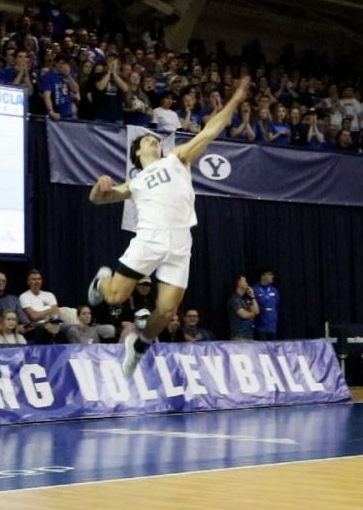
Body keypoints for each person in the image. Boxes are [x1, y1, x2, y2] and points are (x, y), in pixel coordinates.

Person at [87, 76, 251, 376]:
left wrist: (234, 101)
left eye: (155, 138)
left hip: (180, 242)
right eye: (148, 139)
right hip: (148, 239)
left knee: (166, 311)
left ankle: (139, 346)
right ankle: (101, 282)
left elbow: (210, 131)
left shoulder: (176, 159)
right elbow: (98, 199)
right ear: (137, 151)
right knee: (113, 298)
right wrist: (99, 187)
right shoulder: (134, 181)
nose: (153, 140)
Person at [228, 275, 260, 340]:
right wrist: (252, 314)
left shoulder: (246, 299)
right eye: (245, 281)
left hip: (249, 335)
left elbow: (257, 311)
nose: (247, 284)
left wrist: (252, 296)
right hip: (239, 336)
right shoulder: (234, 299)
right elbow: (243, 315)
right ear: (239, 283)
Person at [253, 269, 280, 340]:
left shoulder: (274, 291)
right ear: (262, 276)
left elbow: (277, 307)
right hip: (260, 327)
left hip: (272, 327)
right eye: (269, 274)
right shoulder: (255, 290)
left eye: (272, 275)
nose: (272, 276)